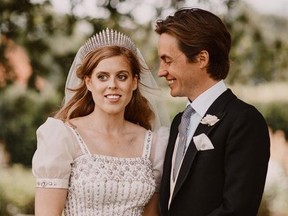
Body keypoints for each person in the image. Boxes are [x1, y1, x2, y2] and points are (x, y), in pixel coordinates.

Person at [32, 28, 170, 216]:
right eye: (102, 76)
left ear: (134, 82)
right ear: (89, 82)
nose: (112, 84)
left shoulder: (154, 144)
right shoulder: (64, 136)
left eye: (122, 76)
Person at [155, 8, 270, 216]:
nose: (161, 71)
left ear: (202, 59)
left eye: (168, 60)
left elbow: (238, 210)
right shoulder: (179, 122)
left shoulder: (244, 121)